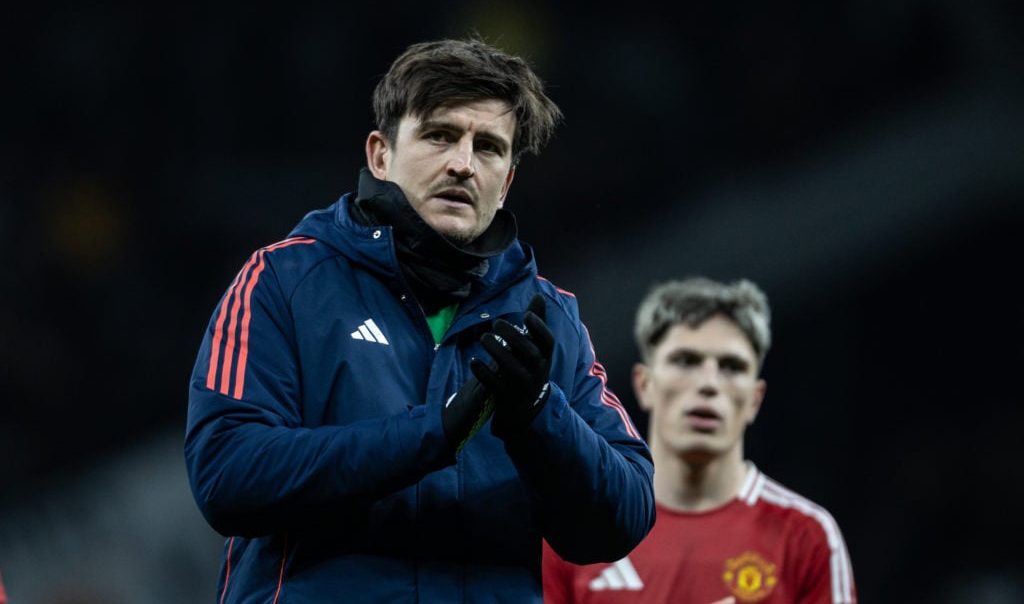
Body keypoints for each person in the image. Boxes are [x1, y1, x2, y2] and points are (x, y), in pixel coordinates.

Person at [184, 35, 655, 603]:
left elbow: (625, 516)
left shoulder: (547, 316)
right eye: (439, 135)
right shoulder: (284, 281)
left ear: (505, 182)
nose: (462, 163)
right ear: (380, 155)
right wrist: (428, 434)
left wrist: (537, 415)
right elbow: (226, 476)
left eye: (488, 147)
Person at [543, 276, 857, 603]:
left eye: (731, 366)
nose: (709, 383)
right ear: (644, 384)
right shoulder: (576, 527)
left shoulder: (806, 536)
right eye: (686, 361)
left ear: (755, 398)